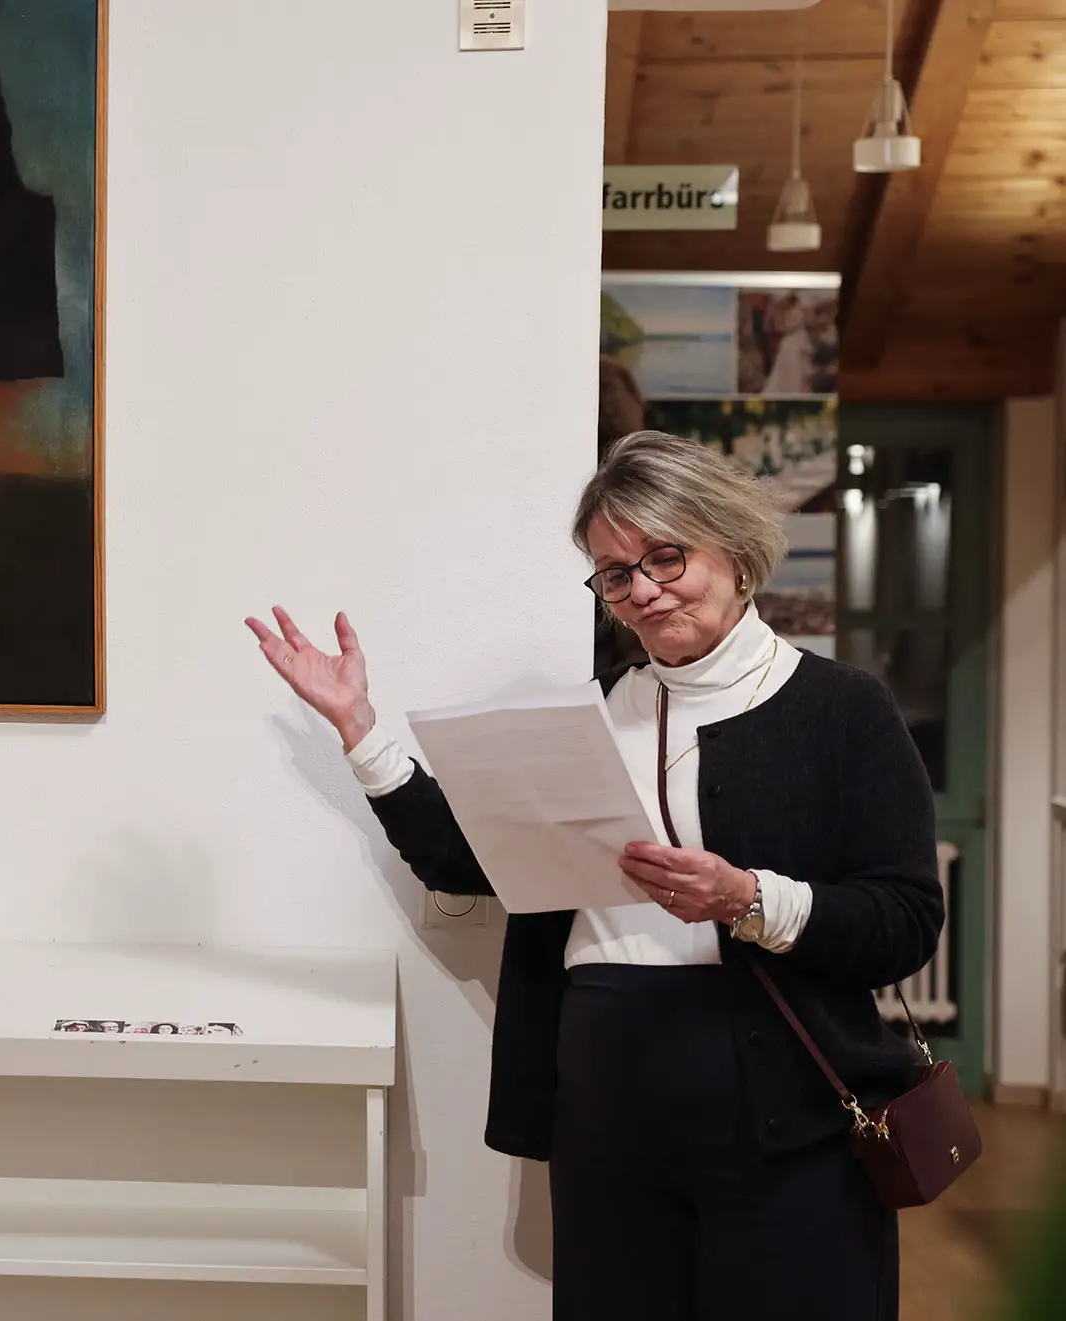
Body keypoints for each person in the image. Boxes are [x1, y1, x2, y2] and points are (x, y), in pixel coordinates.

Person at [247, 430, 942, 1321]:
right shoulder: (594, 710)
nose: (643, 590)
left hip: (792, 1123)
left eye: (665, 557)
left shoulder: (845, 710)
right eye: (616, 574)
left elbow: (905, 919)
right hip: (609, 1119)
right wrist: (360, 727)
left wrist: (748, 898)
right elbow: (469, 858)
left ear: (734, 552)